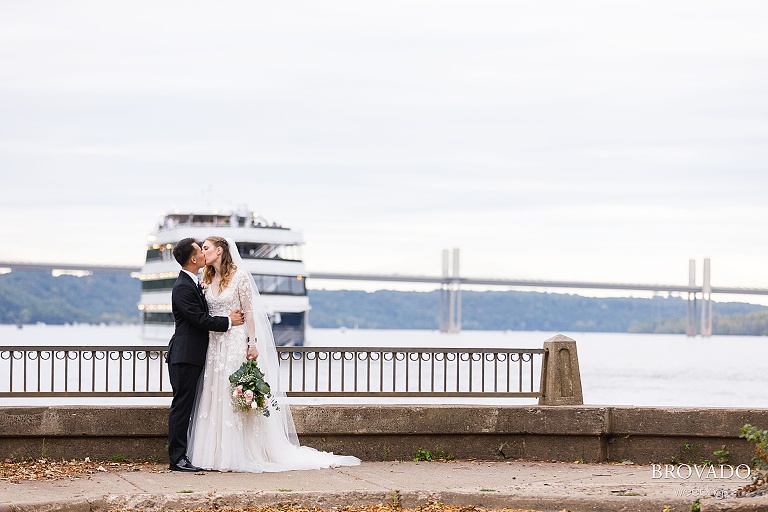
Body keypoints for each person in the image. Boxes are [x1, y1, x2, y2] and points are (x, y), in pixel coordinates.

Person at [188, 236, 360, 472]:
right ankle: (216, 453)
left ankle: (241, 452)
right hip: (214, 344)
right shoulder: (204, 279)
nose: (202, 253)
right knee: (214, 393)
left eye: (206, 248)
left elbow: (249, 313)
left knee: (231, 394)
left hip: (235, 342)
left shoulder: (240, 276)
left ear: (219, 251)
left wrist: (252, 343)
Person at [166, 238, 245, 472]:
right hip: (185, 355)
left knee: (189, 405)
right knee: (182, 407)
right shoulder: (182, 287)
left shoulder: (194, 282)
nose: (203, 253)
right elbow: (199, 319)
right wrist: (229, 321)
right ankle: (177, 459)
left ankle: (183, 456)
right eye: (200, 251)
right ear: (193, 258)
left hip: (193, 355)